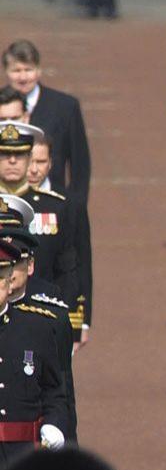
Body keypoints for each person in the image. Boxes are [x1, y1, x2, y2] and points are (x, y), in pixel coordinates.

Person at [0, 120, 85, 332]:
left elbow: (67, 269)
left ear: (30, 160)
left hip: (41, 316)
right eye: (4, 154)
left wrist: (70, 321)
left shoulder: (56, 206)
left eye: (19, 155)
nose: (12, 161)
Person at [0, 234, 68, 461]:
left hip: (22, 456)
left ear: (9, 282)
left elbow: (55, 393)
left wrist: (54, 425)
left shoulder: (36, 328)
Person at [2, 38, 91, 205]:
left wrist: (77, 208)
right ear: (6, 71)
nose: (22, 77)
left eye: (28, 70)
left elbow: (80, 165)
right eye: (16, 70)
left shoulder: (65, 107)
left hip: (50, 202)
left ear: (38, 70)